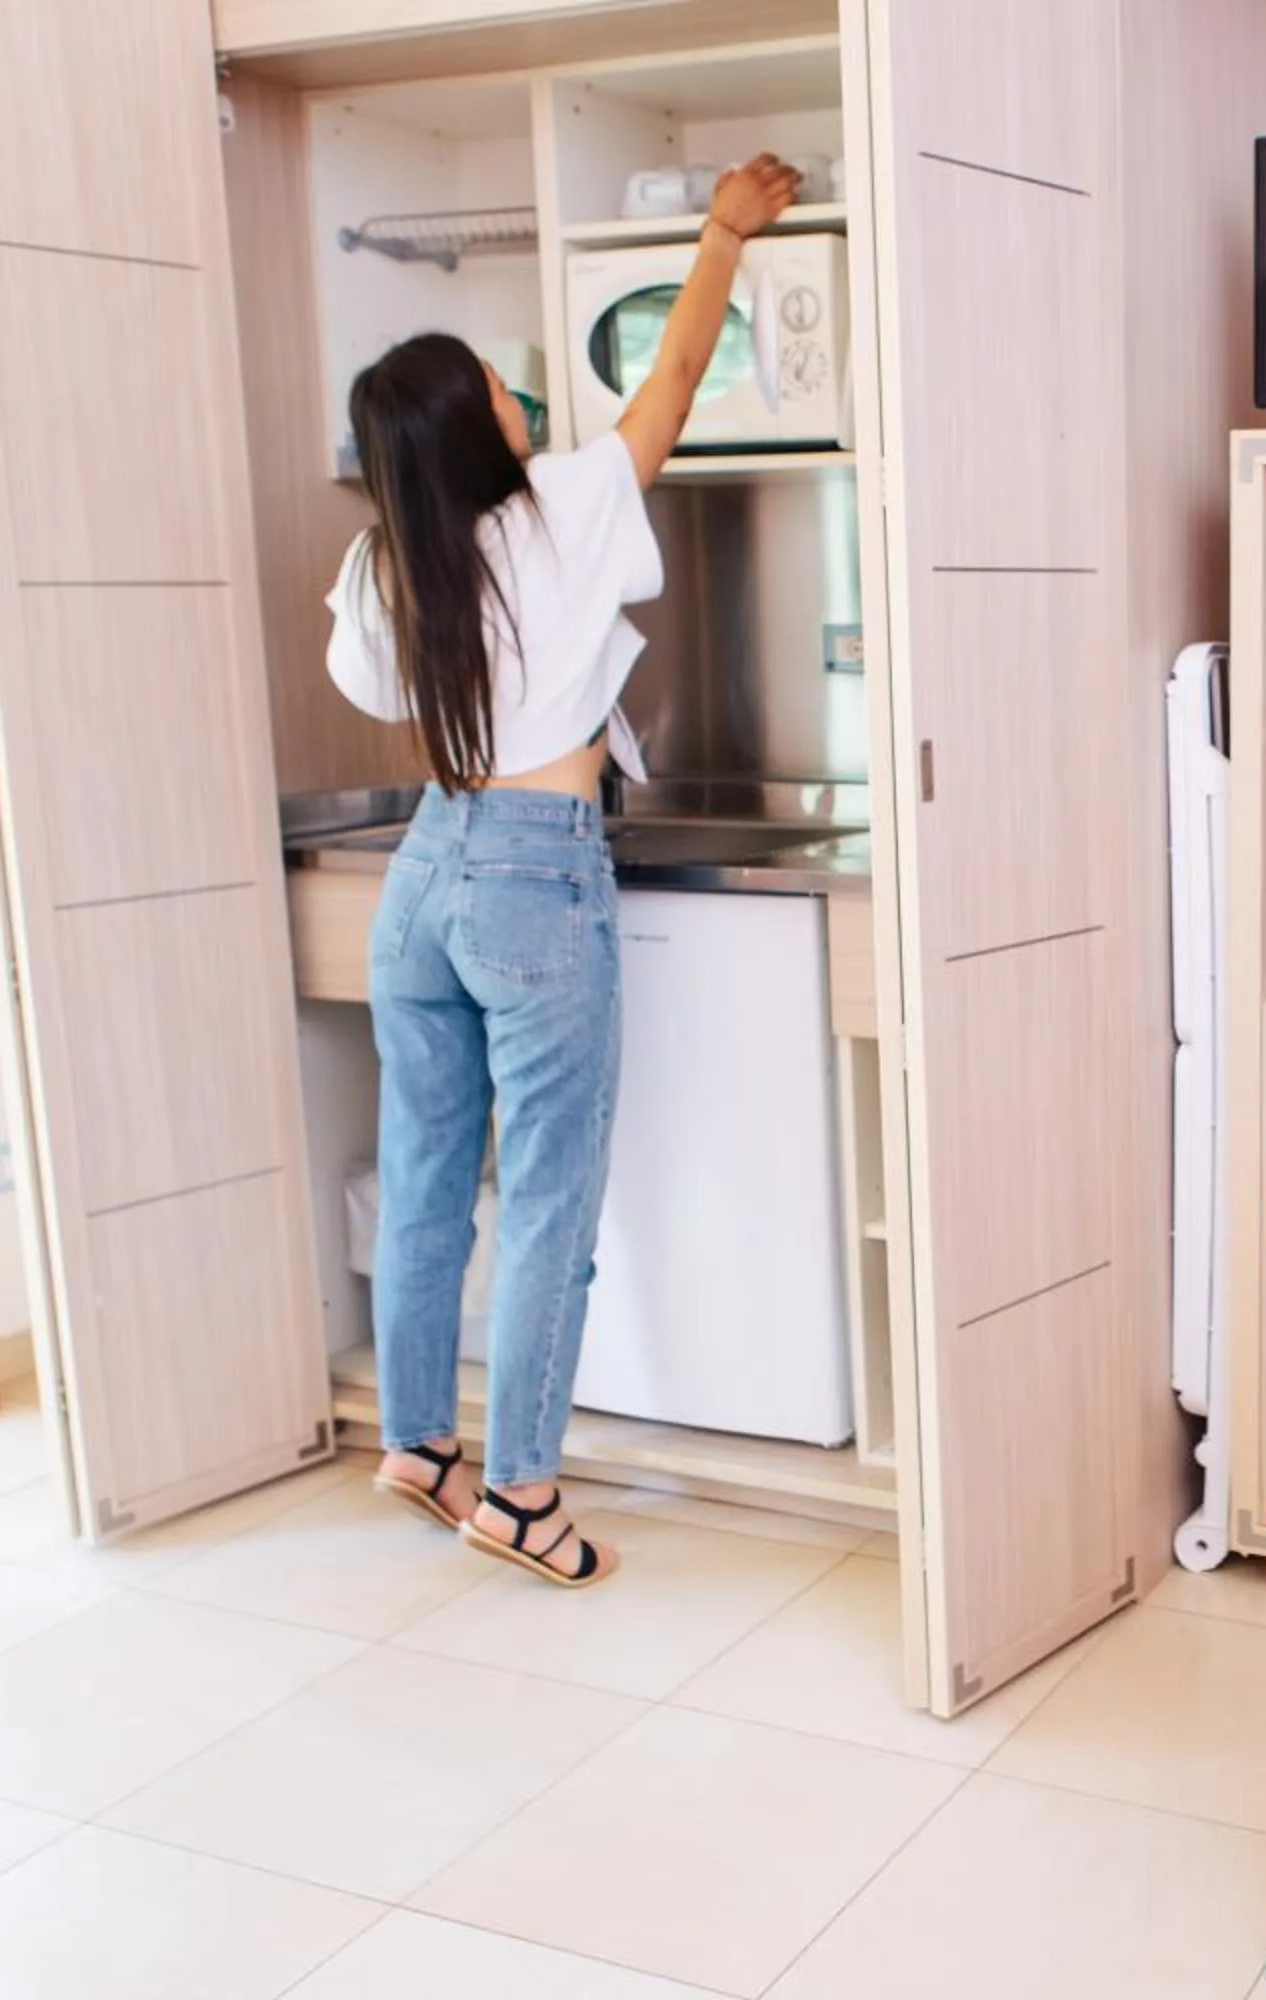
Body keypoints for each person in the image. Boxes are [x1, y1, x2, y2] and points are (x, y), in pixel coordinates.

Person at [329, 156, 802, 1588]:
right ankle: (522, 1495)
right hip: (535, 878)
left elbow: (367, 687)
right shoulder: (561, 507)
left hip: (425, 871)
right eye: (497, 380)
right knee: (543, 1201)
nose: (519, 391)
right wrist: (722, 232)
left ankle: (419, 1444)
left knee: (426, 1177)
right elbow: (666, 385)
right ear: (477, 424)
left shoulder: (383, 563)